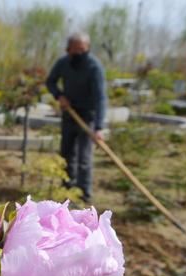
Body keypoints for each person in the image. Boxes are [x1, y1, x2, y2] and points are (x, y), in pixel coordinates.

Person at [46, 32, 106, 203]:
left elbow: (100, 98)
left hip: (87, 116)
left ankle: (84, 194)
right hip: (69, 113)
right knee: (67, 154)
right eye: (74, 49)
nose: (78, 53)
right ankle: (67, 189)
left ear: (87, 48)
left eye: (82, 49)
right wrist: (59, 96)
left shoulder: (94, 67)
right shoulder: (63, 63)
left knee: (84, 158)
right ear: (68, 49)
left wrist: (99, 127)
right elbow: (50, 81)